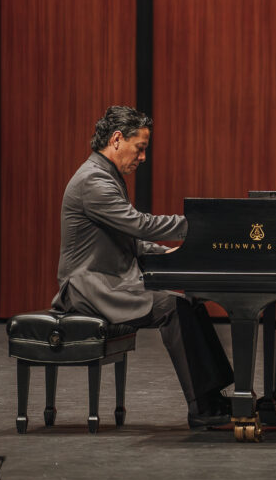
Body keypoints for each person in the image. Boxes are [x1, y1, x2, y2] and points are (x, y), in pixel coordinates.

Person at [51, 105, 233, 429]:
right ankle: (202, 407)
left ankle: (214, 397)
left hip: (107, 282)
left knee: (189, 301)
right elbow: (140, 225)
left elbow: (131, 241)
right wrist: (198, 226)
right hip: (87, 288)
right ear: (116, 139)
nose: (143, 157)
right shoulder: (93, 181)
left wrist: (175, 253)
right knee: (173, 307)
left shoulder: (106, 176)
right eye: (140, 148)